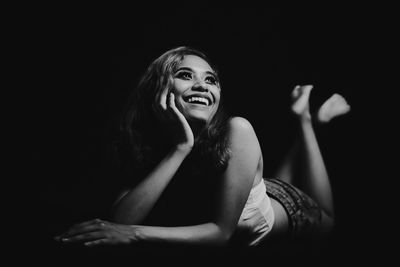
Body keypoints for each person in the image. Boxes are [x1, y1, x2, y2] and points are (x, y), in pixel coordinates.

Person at [54, 46, 350, 249]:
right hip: (254, 190)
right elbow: (120, 219)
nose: (203, 85)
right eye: (185, 75)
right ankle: (305, 121)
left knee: (330, 219)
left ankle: (306, 121)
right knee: (272, 184)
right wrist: (181, 147)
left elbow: (221, 233)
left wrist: (135, 235)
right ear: (157, 88)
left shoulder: (238, 129)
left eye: (211, 80)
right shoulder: (148, 142)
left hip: (292, 209)